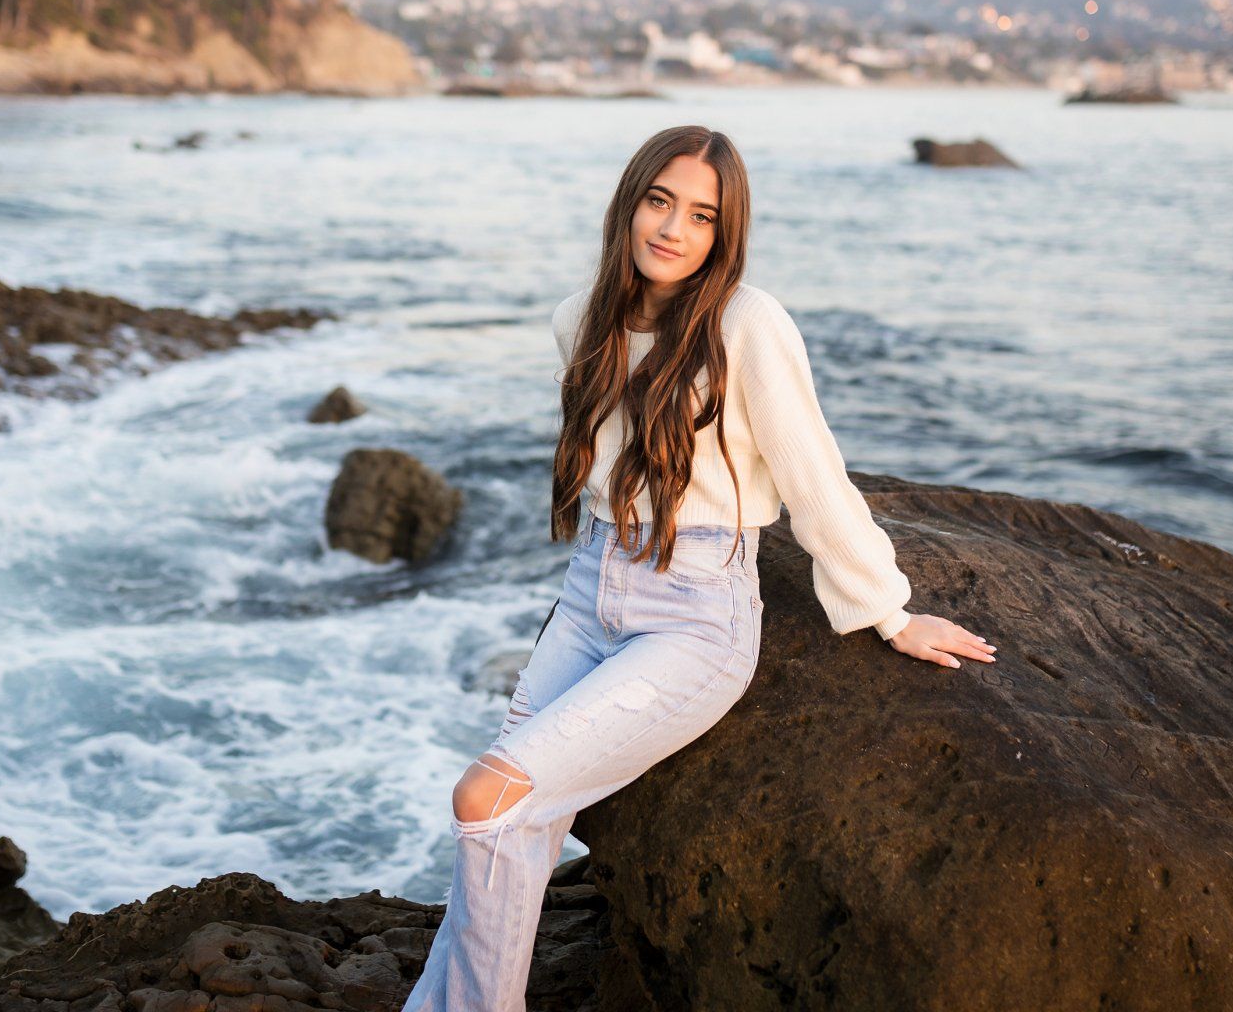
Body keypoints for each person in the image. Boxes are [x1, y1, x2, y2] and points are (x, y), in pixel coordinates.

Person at [401, 124, 996, 1011]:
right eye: (660, 201)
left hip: (696, 614)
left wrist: (890, 609)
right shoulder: (580, 320)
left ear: (726, 234)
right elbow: (605, 470)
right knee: (501, 829)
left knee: (485, 797)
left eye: (702, 216)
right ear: (631, 201)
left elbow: (811, 474)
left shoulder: (746, 325)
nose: (675, 228)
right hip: (586, 594)